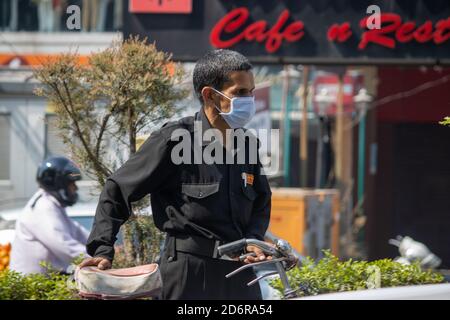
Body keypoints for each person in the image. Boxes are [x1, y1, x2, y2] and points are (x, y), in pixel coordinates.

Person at [80, 49, 272, 300]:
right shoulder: (174, 139)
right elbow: (118, 188)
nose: (250, 99)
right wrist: (102, 249)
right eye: (240, 92)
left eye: (251, 91)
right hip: (188, 275)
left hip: (241, 275)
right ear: (210, 95)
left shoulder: (247, 144)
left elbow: (260, 200)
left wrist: (254, 239)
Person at [9, 156, 89, 274]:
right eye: (72, 183)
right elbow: (64, 246)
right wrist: (96, 259)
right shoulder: (42, 208)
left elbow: (78, 232)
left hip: (44, 284)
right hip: (34, 289)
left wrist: (102, 247)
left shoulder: (53, 205)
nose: (75, 188)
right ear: (60, 184)